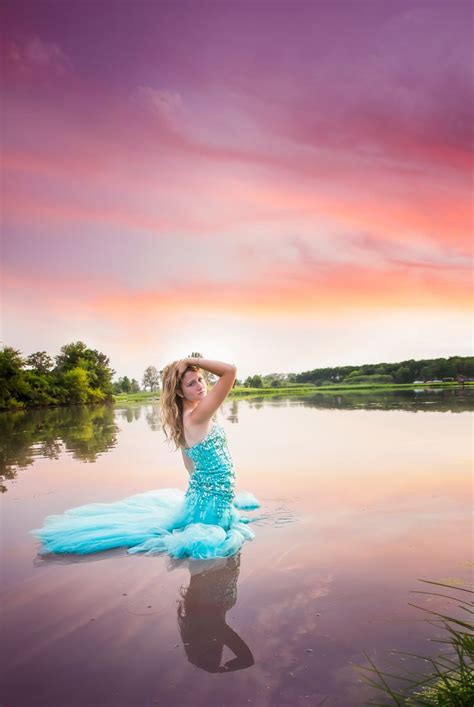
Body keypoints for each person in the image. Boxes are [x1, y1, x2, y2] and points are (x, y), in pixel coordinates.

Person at [30, 357, 260, 559]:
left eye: (200, 379)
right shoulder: (198, 416)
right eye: (191, 383)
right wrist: (193, 359)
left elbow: (189, 464)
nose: (200, 386)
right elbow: (230, 371)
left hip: (210, 498)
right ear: (179, 392)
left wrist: (207, 491)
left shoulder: (185, 417)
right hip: (212, 504)